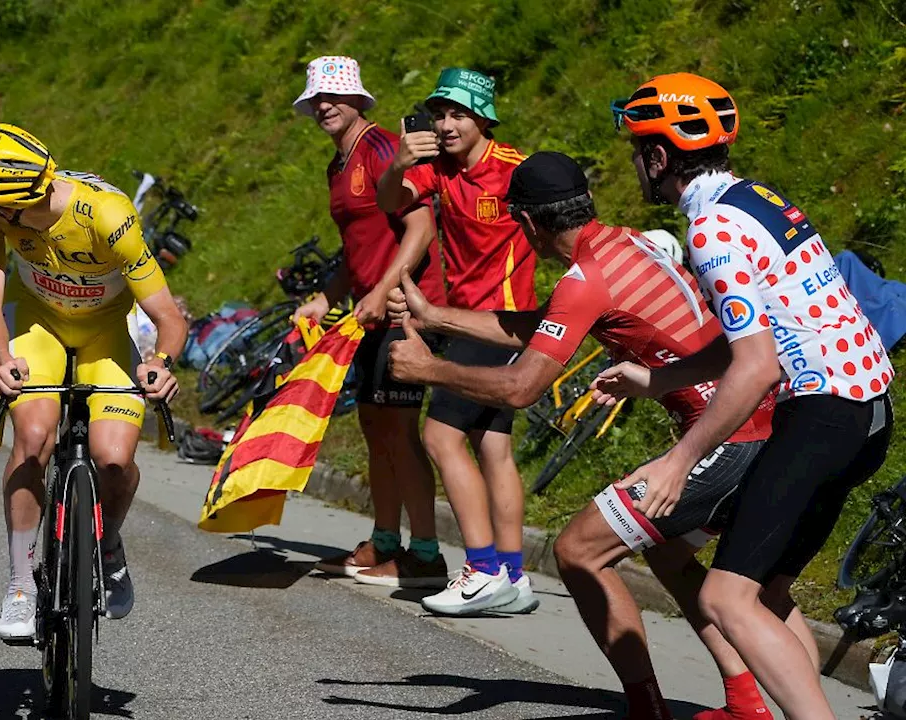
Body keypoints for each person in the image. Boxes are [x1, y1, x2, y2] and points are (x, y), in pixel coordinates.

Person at [387, 151, 799, 720]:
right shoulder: (626, 242)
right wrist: (438, 316)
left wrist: (428, 369)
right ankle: (746, 704)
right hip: (760, 418)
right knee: (676, 554)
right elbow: (555, 321)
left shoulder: (586, 279)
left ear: (528, 224)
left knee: (578, 550)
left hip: (729, 435)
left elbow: (521, 388)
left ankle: (647, 709)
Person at [594, 73, 894, 720]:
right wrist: (660, 379)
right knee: (769, 595)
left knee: (725, 599)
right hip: (870, 412)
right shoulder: (754, 197)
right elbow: (758, 334)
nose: (635, 163)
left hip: (826, 413)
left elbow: (755, 368)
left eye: (637, 149)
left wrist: (679, 461)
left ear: (658, 156)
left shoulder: (709, 231)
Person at [0, 121, 189, 641]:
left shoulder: (107, 215)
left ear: (10, 202)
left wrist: (161, 365)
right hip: (38, 323)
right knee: (33, 436)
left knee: (115, 459)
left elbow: (170, 316)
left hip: (105, 330)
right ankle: (19, 584)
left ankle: (108, 543)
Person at [375, 67, 538, 613]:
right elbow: (389, 203)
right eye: (440, 113)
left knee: (441, 436)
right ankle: (514, 578)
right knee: (493, 447)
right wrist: (399, 161)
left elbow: (570, 219)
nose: (446, 124)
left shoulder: (517, 170)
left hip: (505, 321)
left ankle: (482, 568)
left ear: (483, 118)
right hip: (460, 319)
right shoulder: (437, 170)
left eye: (458, 114)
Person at [290, 55, 450, 587]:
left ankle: (425, 554)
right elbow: (355, 244)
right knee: (374, 426)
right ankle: (385, 541)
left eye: (334, 96)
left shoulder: (383, 148)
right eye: (317, 97)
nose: (324, 105)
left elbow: (421, 227)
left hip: (406, 309)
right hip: (367, 314)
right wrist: (326, 295)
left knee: (401, 432)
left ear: (360, 100)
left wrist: (383, 292)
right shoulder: (338, 163)